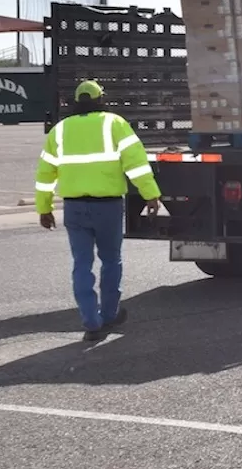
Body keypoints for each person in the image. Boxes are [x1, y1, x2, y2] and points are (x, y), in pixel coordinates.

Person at [35, 80, 161, 341]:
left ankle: (90, 321)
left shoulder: (59, 130)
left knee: (82, 263)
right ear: (101, 99)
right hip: (108, 207)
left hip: (74, 208)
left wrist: (44, 208)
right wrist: (151, 195)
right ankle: (110, 314)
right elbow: (136, 164)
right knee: (111, 260)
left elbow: (45, 173)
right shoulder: (114, 124)